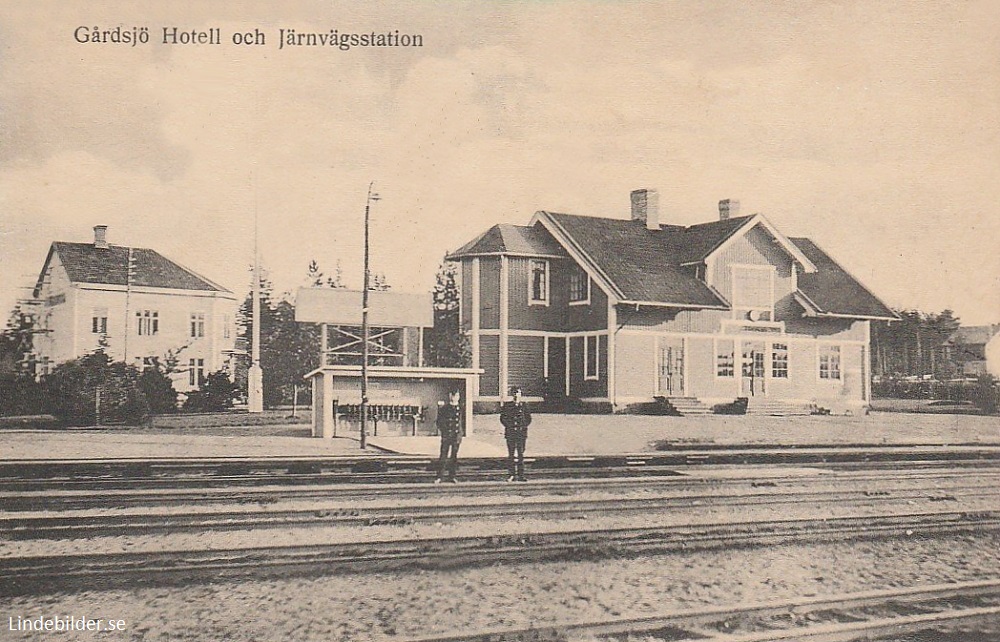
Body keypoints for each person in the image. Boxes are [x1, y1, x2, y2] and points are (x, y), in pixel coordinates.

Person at [500, 386, 532, 482]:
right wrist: (509, 426)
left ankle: (521, 475)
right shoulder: (507, 406)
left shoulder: (524, 405)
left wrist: (523, 426)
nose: (516, 395)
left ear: (520, 394)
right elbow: (502, 418)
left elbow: (528, 419)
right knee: (511, 455)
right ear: (512, 395)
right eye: (514, 393)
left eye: (518, 393)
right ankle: (512, 475)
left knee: (521, 455)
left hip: (521, 434)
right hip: (511, 434)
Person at [434, 389, 463, 483]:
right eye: (453, 395)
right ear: (450, 396)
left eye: (456, 395)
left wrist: (460, 434)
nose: (454, 397)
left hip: (456, 436)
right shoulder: (444, 408)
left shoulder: (461, 408)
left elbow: (462, 422)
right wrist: (445, 431)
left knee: (454, 457)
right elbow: (439, 422)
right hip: (447, 435)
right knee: (443, 456)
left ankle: (452, 476)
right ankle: (439, 476)